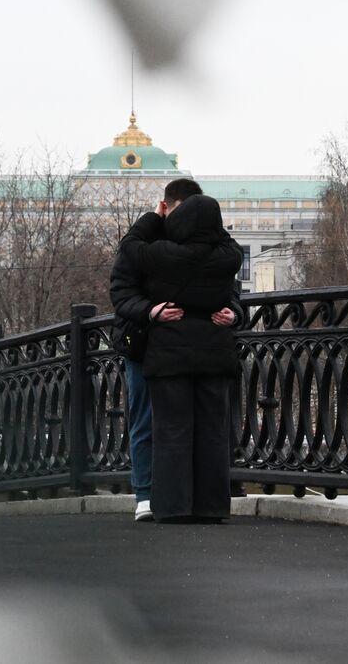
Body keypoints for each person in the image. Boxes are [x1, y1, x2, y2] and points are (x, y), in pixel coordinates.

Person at [109, 179, 243, 522]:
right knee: (176, 425)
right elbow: (123, 291)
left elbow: (130, 246)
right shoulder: (227, 253)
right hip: (155, 340)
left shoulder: (156, 250)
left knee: (169, 428)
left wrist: (151, 218)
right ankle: (163, 497)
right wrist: (149, 311)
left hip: (167, 348)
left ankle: (169, 505)